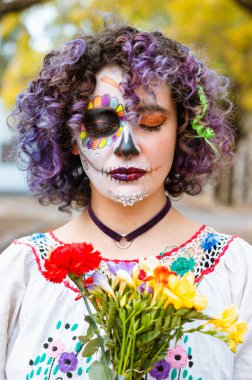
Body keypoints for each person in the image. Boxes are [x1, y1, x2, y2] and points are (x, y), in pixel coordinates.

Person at [0, 18, 251, 380]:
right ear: (70, 138)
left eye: (150, 122)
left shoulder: (239, 273)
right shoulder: (17, 274)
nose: (127, 147)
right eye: (102, 124)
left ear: (182, 131)